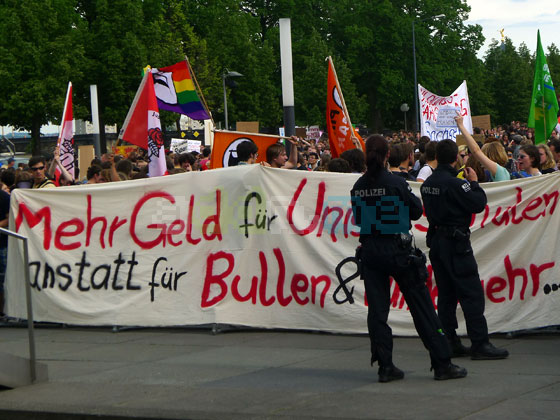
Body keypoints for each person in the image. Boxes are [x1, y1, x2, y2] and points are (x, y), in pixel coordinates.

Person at [351, 135, 467, 382]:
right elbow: (415, 211)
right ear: (386, 156)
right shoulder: (395, 183)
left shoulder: (359, 186)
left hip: (371, 250)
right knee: (422, 307)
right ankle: (441, 362)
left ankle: (384, 365)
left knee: (378, 311)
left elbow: (359, 219)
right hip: (397, 250)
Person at [421, 140, 509, 360]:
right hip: (456, 243)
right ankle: (480, 343)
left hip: (438, 242)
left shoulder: (428, 183)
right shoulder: (454, 183)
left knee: (447, 295)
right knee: (471, 294)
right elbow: (478, 203)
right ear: (455, 158)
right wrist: (474, 182)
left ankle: (449, 341)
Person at [455, 115, 510, 181]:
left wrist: (461, 126)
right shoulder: (499, 173)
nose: (480, 161)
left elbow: (476, 151)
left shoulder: (500, 172)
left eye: (483, 155)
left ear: (490, 157)